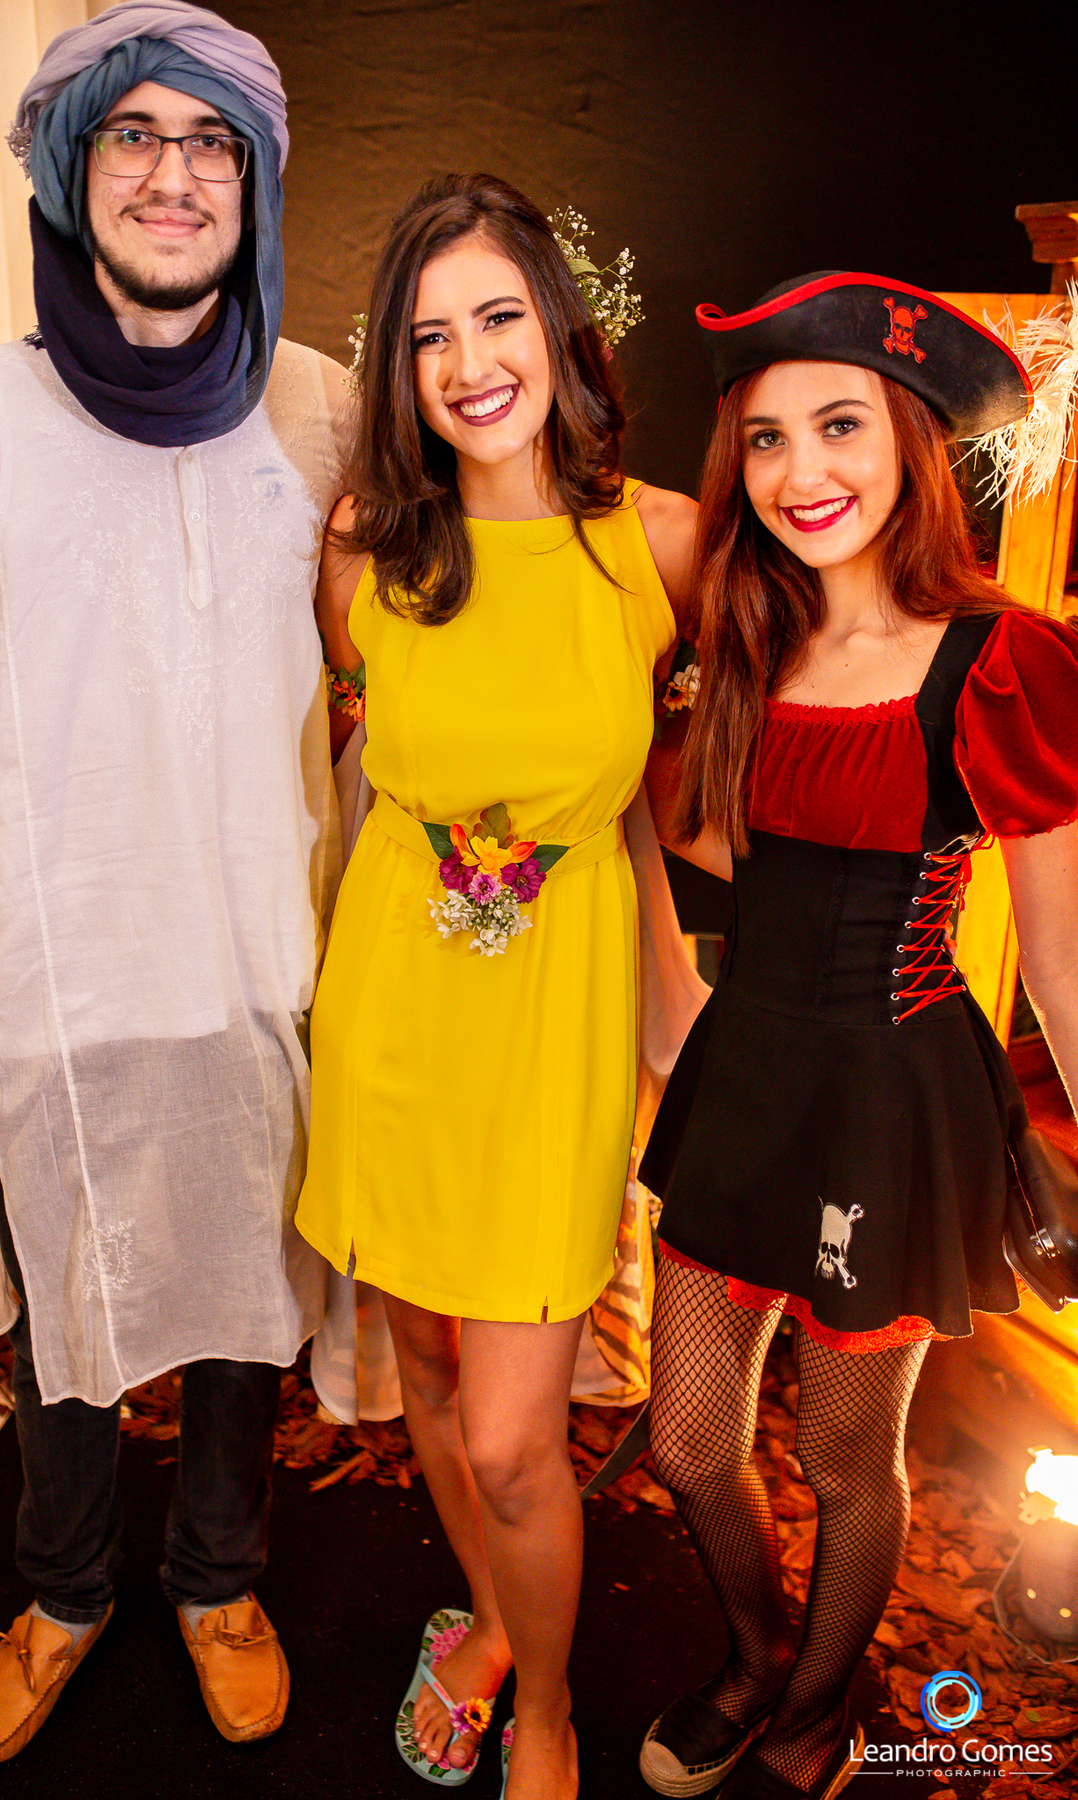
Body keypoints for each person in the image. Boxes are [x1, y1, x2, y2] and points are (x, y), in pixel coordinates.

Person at [0, 0, 349, 1764]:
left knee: (243, 1316)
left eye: (211, 140)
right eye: (135, 134)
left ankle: (218, 1579)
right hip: (50, 972)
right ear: (74, 173)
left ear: (257, 180)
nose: (173, 173)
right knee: (67, 1323)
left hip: (264, 964)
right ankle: (64, 1589)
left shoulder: (325, 409)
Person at [637, 273, 1078, 1800]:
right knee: (689, 1440)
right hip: (746, 1076)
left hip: (889, 1103)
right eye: (765, 438)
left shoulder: (997, 661)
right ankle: (755, 1653)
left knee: (841, 1461)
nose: (800, 471)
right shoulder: (749, 634)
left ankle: (817, 1709)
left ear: (910, 443)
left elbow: (1062, 964)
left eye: (839, 427)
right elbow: (713, 839)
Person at [294, 173, 707, 1799]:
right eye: (427, 338)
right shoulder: (363, 551)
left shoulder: (659, 541)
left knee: (517, 1438)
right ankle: (488, 1625)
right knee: (432, 1379)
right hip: (396, 1002)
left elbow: (677, 797)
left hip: (554, 1019)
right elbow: (359, 756)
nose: (468, 365)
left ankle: (546, 1714)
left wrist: (676, 977)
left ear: (558, 326)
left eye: (496, 318)